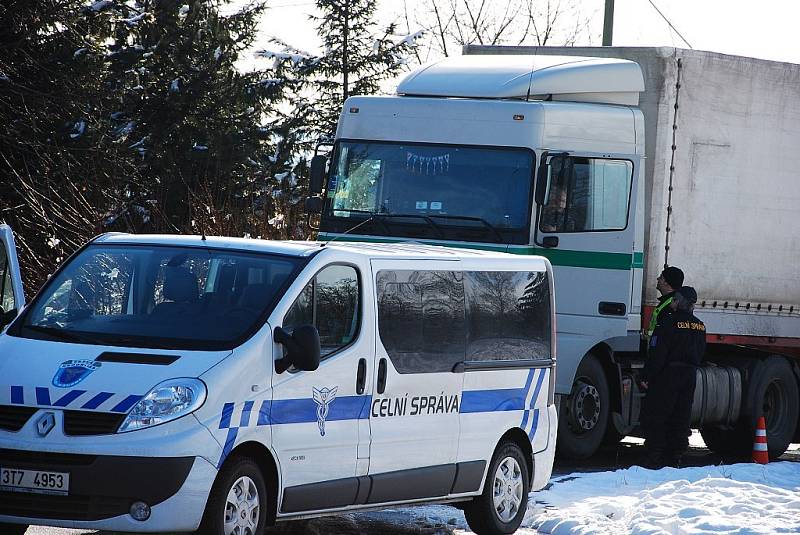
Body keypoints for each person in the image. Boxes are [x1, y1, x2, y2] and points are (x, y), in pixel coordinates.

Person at [639, 286, 706, 468]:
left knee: (659, 415)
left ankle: (655, 456)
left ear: (678, 301)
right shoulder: (700, 326)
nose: (673, 303)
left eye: (674, 300)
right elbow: (701, 353)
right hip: (689, 375)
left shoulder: (667, 323)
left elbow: (658, 354)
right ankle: (676, 455)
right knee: (681, 416)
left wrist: (647, 376)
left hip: (668, 375)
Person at [645, 266, 684, 341]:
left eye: (661, 277)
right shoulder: (668, 302)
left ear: (666, 283)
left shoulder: (671, 306)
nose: (658, 279)